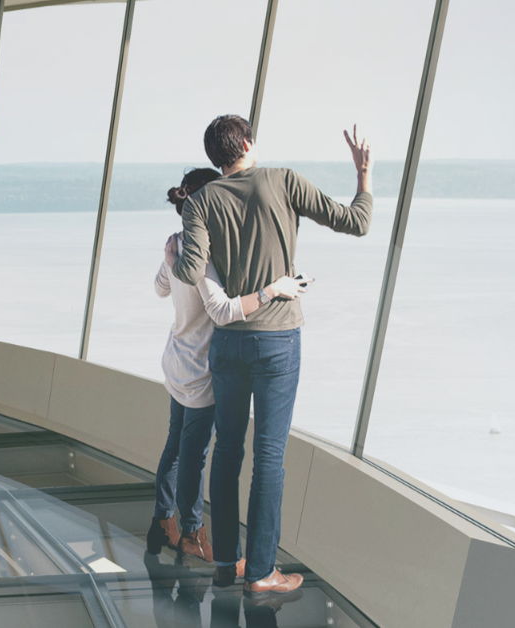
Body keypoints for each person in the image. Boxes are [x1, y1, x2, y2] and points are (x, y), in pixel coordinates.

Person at [172, 116, 372, 595]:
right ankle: (262, 572)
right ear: (247, 143)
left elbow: (189, 270)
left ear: (216, 157)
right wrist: (363, 175)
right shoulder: (283, 180)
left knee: (227, 451)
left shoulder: (200, 202)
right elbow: (356, 222)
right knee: (269, 457)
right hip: (278, 338)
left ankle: (225, 562)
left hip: (228, 344)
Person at [150, 168, 307, 566]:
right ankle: (190, 532)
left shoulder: (178, 245)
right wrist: (273, 290)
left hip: (177, 359)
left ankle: (162, 520)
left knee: (175, 445)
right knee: (194, 454)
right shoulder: (206, 254)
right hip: (202, 369)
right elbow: (221, 310)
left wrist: (170, 263)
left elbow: (160, 287)